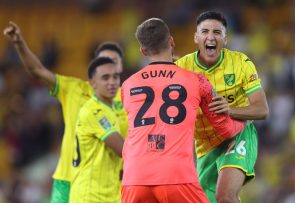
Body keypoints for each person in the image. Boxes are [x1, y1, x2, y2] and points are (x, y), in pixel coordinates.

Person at [121, 17, 245, 203]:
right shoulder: (197, 81)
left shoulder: (127, 85)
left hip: (134, 179)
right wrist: (242, 123)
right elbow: (225, 129)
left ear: (143, 51)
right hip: (176, 177)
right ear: (171, 41)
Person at [3, 21, 128, 203]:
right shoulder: (73, 89)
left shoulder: (128, 98)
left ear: (120, 68)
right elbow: (37, 70)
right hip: (68, 179)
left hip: (108, 182)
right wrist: (20, 44)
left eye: (114, 63)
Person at [175, 11, 269, 203]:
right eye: (205, 31)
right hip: (205, 146)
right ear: (196, 37)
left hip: (238, 134)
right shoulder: (181, 67)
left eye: (217, 32)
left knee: (225, 196)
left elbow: (262, 110)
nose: (211, 37)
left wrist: (230, 110)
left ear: (225, 39)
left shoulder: (241, 63)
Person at [70, 57, 124, 202]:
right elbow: (123, 150)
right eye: (105, 78)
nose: (112, 82)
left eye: (115, 77)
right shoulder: (95, 111)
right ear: (92, 83)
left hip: (107, 195)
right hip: (90, 196)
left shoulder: (108, 110)